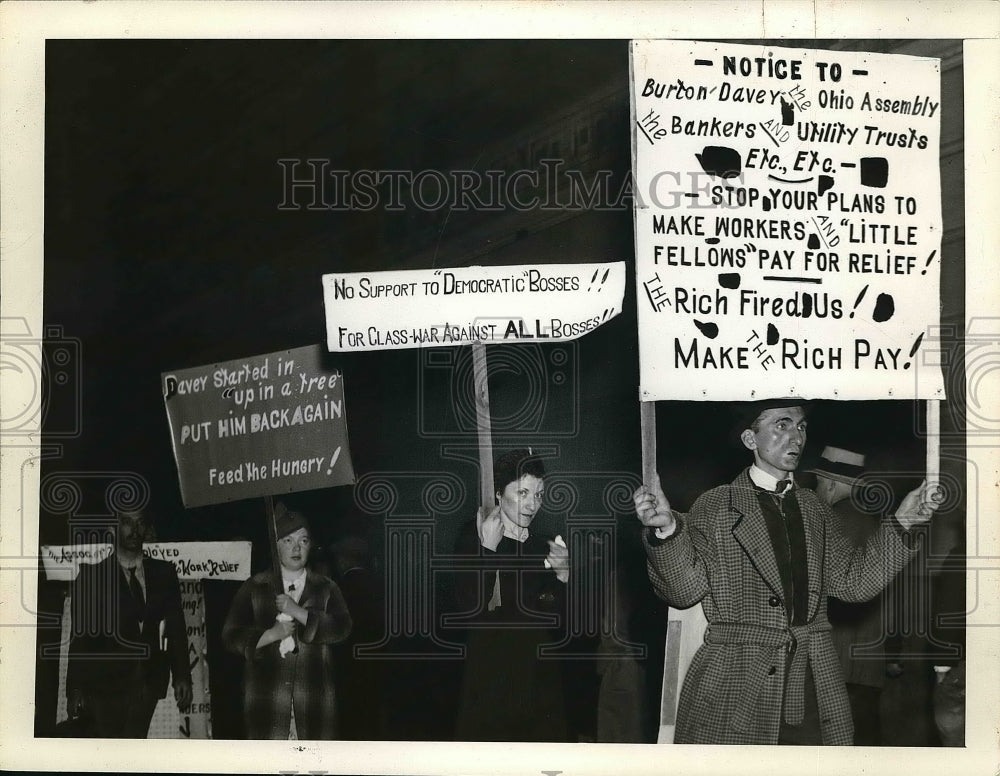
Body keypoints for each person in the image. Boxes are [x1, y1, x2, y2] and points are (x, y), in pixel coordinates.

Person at [633, 399, 942, 745]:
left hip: (811, 681)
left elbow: (854, 584)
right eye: (782, 425)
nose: (796, 437)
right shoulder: (717, 505)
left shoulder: (815, 509)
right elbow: (684, 591)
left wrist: (903, 522)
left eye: (801, 426)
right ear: (751, 439)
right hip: (736, 680)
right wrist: (667, 531)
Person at [451, 449, 571, 742]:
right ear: (497, 493)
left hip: (537, 684)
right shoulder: (474, 536)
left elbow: (556, 620)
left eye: (539, 495)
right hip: (492, 683)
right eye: (523, 493)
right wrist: (488, 552)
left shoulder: (542, 546)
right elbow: (469, 609)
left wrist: (563, 577)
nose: (533, 505)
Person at [222, 503, 352, 739]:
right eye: (288, 540)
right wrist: (270, 635)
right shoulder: (255, 586)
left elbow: (343, 627)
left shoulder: (326, 587)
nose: (296, 548)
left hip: (315, 701)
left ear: (311, 545)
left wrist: (300, 613)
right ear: (275, 545)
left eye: (303, 540)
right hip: (266, 701)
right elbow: (230, 635)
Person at [67, 508, 192, 737]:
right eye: (126, 522)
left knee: (135, 751)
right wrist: (75, 688)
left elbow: (175, 628)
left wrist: (182, 675)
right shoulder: (91, 577)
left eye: (140, 523)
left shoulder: (164, 573)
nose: (134, 530)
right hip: (104, 687)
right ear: (111, 529)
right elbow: (79, 639)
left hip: (148, 685)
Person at [810, 445, 902, 745]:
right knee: (865, 739)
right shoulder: (876, 522)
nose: (816, 489)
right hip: (870, 660)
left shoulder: (830, 521)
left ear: (832, 483)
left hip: (835, 661)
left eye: (819, 483)